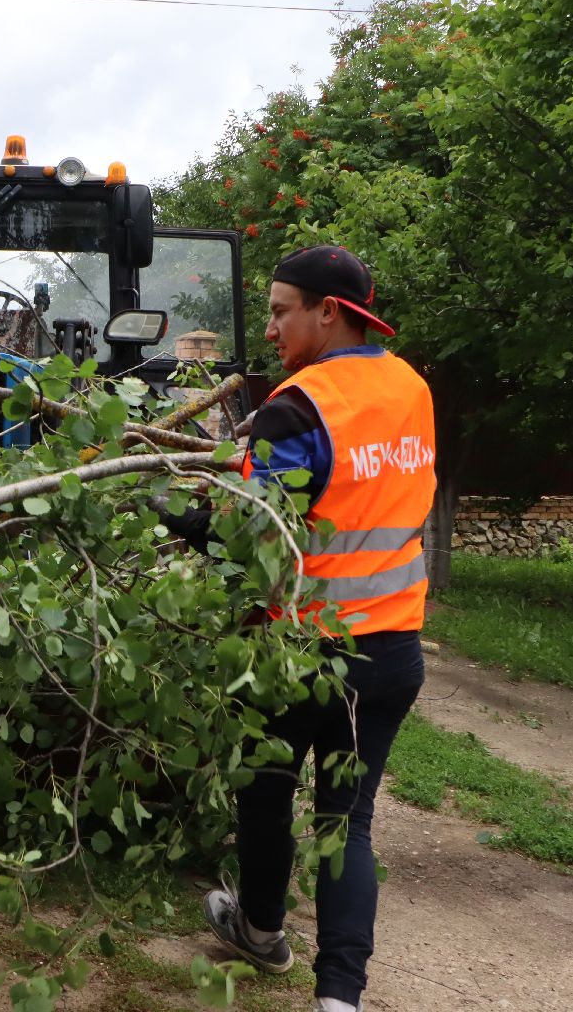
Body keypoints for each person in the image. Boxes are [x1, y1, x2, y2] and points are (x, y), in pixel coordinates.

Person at [179, 246, 435, 1012]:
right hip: (393, 651)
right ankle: (340, 1000)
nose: (271, 326)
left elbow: (253, 536)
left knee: (266, 792)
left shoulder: (298, 405)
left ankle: (259, 932)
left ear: (331, 311)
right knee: (346, 824)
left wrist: (181, 520)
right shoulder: (411, 389)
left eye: (282, 309)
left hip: (300, 650)